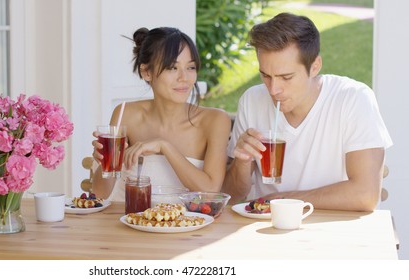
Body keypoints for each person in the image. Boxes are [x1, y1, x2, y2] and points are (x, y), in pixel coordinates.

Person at [222, 13, 392, 211]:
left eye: (286, 77)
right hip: (266, 230)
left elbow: (366, 195)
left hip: (332, 228)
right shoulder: (251, 101)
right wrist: (242, 162)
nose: (273, 89)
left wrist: (284, 200)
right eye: (266, 75)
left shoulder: (353, 98)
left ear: (315, 66)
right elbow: (232, 196)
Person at [91, 27, 231, 201]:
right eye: (172, 68)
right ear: (146, 72)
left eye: (191, 67)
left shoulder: (215, 121)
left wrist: (164, 147)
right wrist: (104, 165)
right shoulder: (125, 113)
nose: (184, 77)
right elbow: (99, 194)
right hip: (127, 220)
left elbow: (209, 192)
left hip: (186, 225)